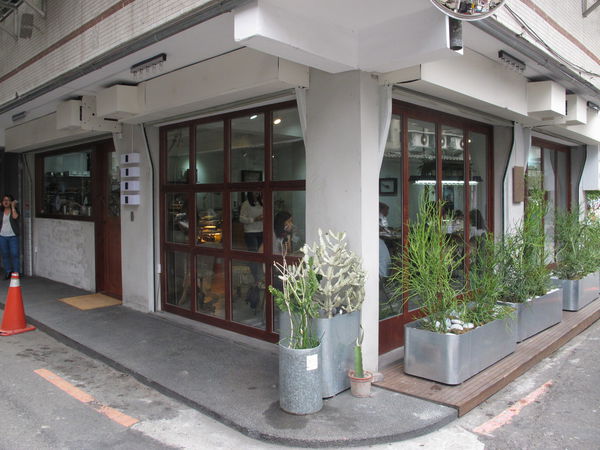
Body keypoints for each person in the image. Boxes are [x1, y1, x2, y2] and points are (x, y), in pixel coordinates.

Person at [0, 194, 20, 279]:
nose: (6, 202)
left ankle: (16, 272)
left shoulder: (14, 210)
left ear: (11, 202)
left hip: (13, 236)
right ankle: (8, 271)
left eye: (8, 200)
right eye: (4, 200)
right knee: (5, 255)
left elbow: (15, 217)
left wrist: (13, 207)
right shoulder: (1, 212)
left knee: (14, 254)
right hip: (2, 236)